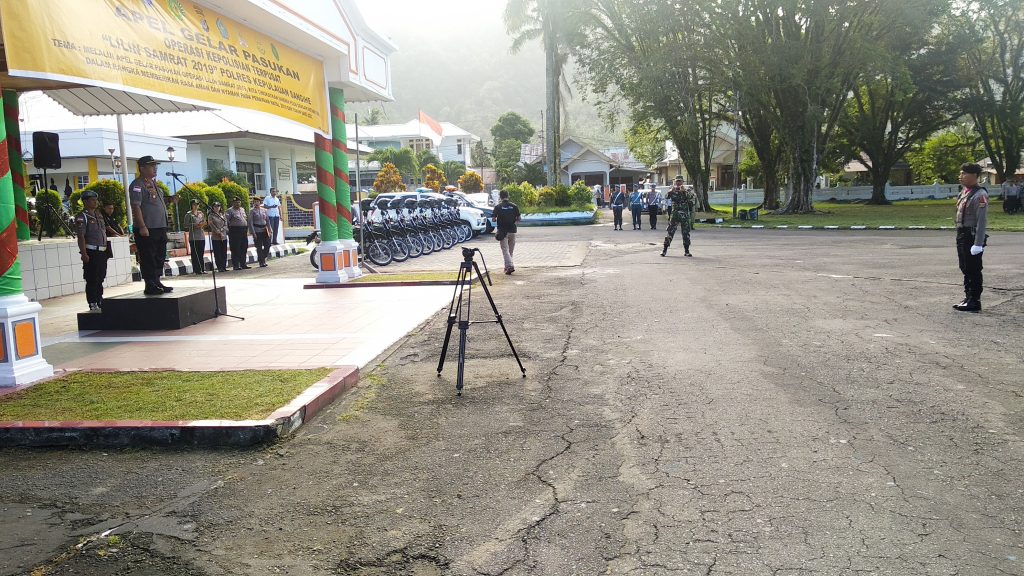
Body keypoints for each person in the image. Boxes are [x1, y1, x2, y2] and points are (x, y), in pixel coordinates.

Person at [129, 155, 176, 295]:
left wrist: (169, 200)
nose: (155, 168)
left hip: (159, 226)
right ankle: (149, 284)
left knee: (159, 256)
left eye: (155, 166)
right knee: (148, 256)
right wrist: (142, 226)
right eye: (151, 166)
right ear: (142, 168)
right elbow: (136, 206)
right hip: (147, 227)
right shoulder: (137, 185)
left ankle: (156, 280)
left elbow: (154, 203)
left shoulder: (154, 184)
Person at [953, 163, 988, 312]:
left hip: (972, 236)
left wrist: (978, 243)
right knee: (965, 267)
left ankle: (974, 300)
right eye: (961, 173)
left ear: (974, 176)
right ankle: (968, 297)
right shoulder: (964, 192)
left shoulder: (980, 195)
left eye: (964, 174)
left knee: (973, 268)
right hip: (962, 234)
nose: (960, 176)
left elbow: (981, 220)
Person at [75, 190, 108, 310]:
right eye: (92, 200)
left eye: (96, 200)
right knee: (92, 278)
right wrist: (84, 253)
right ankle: (92, 301)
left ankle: (99, 298)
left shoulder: (98, 215)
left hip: (102, 251)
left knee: (101, 276)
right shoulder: (82, 216)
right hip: (91, 251)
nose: (95, 202)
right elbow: (81, 236)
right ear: (85, 202)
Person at [661, 177, 697, 257]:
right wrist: (671, 191)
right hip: (675, 215)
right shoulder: (672, 190)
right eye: (677, 181)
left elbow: (692, 197)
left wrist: (684, 191)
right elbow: (666, 197)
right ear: (675, 182)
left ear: (682, 182)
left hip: (684, 215)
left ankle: (687, 251)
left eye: (680, 181)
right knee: (670, 232)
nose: (678, 183)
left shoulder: (686, 191)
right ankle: (664, 250)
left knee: (686, 233)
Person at [494, 189, 521, 275]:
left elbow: (493, 219)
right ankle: (507, 267)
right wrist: (513, 222)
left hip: (503, 232)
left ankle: (510, 266)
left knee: (505, 250)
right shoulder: (514, 206)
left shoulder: (498, 207)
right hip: (512, 231)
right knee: (510, 251)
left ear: (500, 197)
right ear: (507, 196)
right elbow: (519, 219)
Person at [183, 199, 207, 275]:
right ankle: (196, 270)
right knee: (195, 254)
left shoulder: (201, 213)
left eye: (197, 204)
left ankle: (202, 269)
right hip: (193, 236)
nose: (196, 206)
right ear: (191, 205)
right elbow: (185, 225)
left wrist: (203, 224)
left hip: (201, 236)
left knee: (201, 253)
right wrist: (194, 225)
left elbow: (204, 221)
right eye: (194, 204)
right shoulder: (189, 214)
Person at [226, 197, 250, 270]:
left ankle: (243, 264)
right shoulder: (230, 210)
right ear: (233, 203)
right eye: (236, 202)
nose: (237, 204)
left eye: (239, 202)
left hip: (243, 230)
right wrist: (228, 231)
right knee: (235, 248)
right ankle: (236, 265)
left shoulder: (242, 209)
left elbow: (245, 219)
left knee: (244, 247)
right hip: (235, 231)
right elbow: (226, 221)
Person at [249, 196, 271, 267]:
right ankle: (261, 262)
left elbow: (267, 221)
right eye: (255, 202)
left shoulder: (264, 210)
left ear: (260, 202)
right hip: (257, 230)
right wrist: (253, 233)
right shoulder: (252, 211)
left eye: (257, 202)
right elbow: (250, 223)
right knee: (259, 247)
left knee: (268, 245)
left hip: (265, 230)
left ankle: (262, 257)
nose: (256, 203)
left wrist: (270, 230)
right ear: (253, 203)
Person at [207, 201, 229, 272]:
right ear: (213, 207)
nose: (217, 208)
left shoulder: (222, 214)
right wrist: (218, 231)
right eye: (215, 206)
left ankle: (224, 266)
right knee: (217, 253)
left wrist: (221, 230)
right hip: (216, 237)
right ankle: (220, 267)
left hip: (223, 236)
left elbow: (226, 224)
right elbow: (211, 225)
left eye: (218, 206)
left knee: (224, 252)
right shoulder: (211, 216)